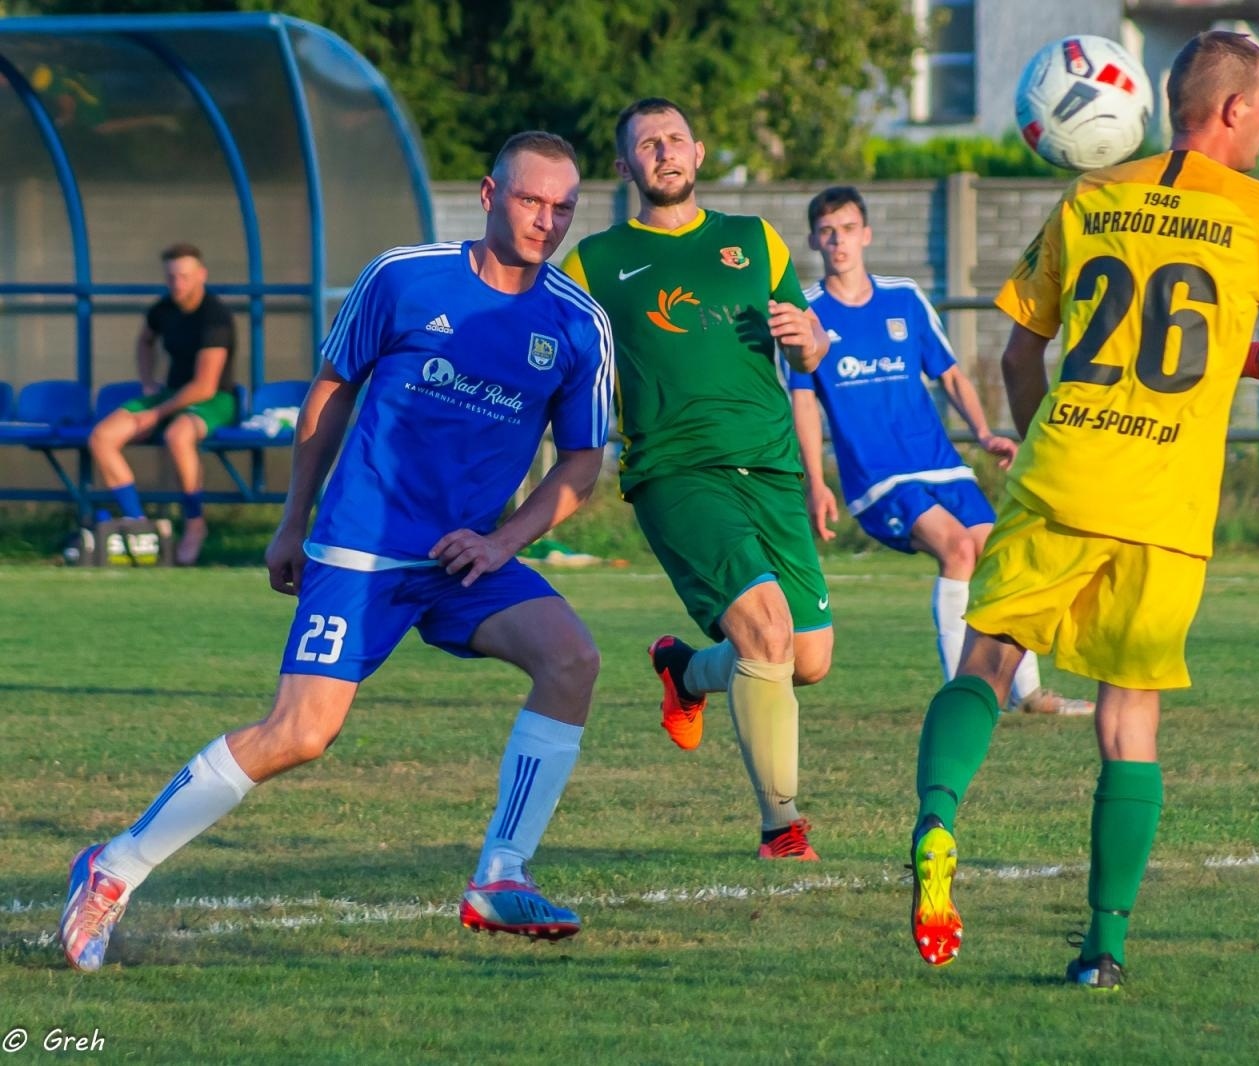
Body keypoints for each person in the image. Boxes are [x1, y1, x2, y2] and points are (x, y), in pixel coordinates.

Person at [59, 131, 616, 972]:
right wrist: (293, 522)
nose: (547, 219)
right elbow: (331, 391)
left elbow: (581, 460)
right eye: (531, 200)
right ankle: (112, 868)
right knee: (300, 733)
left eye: (564, 206)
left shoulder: (578, 323)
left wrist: (504, 540)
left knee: (571, 660)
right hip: (363, 544)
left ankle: (502, 874)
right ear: (489, 195)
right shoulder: (402, 276)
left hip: (466, 556)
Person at [906, 31, 1259, 989]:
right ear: (1231, 109)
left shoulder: (1091, 195)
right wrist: (1252, 358)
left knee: (987, 662)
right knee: (1127, 717)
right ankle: (1102, 949)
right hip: (1165, 502)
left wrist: (1043, 443)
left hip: (1064, 467)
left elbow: (1019, 351)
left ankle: (937, 820)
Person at [560, 97, 833, 861]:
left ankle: (684, 671)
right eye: (647, 144)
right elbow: (549, 356)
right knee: (767, 632)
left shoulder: (756, 240)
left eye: (675, 139)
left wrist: (811, 339)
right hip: (676, 472)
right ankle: (781, 827)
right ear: (625, 167)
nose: (665, 152)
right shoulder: (594, 263)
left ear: (700, 152)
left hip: (770, 465)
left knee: (807, 659)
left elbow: (808, 348)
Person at [791, 186, 1092, 718]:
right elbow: (804, 403)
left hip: (940, 463)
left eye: (848, 229)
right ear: (814, 240)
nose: (838, 241)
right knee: (957, 550)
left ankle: (1029, 693)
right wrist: (816, 483)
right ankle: (964, 700)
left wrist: (983, 433)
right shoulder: (807, 315)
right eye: (828, 231)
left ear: (867, 235)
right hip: (878, 478)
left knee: (997, 554)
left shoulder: (904, 298)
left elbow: (950, 374)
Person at [88, 242, 237, 565]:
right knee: (102, 437)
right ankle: (139, 525)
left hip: (215, 399)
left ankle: (195, 524)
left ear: (201, 275)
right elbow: (145, 340)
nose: (177, 284)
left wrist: (154, 415)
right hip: (169, 395)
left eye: (184, 276)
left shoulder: (215, 317)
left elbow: (204, 386)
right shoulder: (162, 309)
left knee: (177, 435)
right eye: (171, 277)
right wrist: (147, 382)